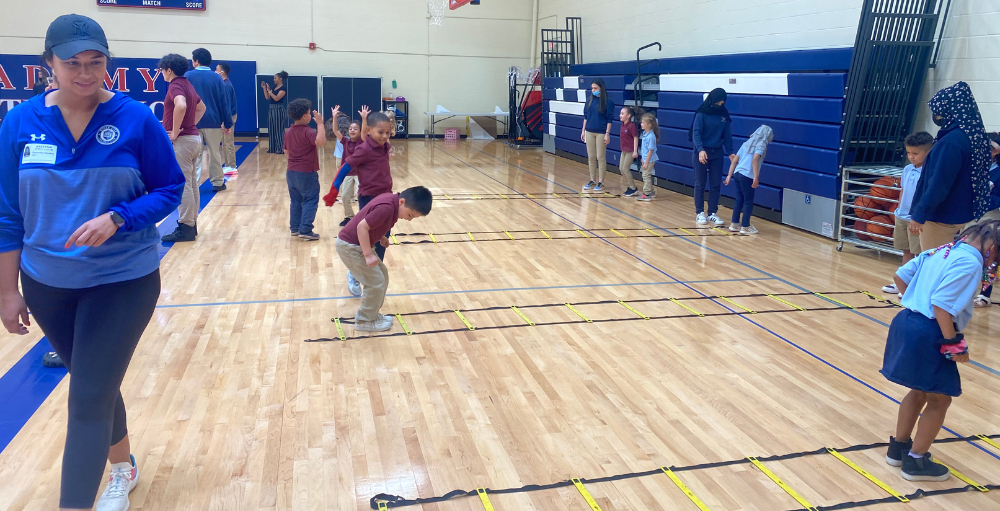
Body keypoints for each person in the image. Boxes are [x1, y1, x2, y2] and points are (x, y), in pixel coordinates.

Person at [0, 14, 184, 511]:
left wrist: (119, 218)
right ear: (48, 66)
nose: (85, 73)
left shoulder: (134, 119)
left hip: (122, 280)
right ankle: (123, 466)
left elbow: (170, 189)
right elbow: (7, 212)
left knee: (85, 399)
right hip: (47, 284)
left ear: (108, 63)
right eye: (73, 63)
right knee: (93, 382)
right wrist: (8, 289)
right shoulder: (18, 123)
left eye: (96, 62)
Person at [881, 220, 999, 481]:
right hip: (930, 331)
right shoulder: (970, 263)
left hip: (906, 321)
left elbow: (900, 276)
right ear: (991, 247)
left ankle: (898, 449)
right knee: (940, 399)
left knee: (920, 390)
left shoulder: (940, 250)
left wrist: (914, 302)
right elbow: (941, 305)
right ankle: (916, 462)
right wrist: (954, 343)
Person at [909, 81, 991, 252]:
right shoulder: (978, 136)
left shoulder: (950, 142)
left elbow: (939, 183)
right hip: (966, 214)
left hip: (942, 217)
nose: (937, 116)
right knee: (956, 266)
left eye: (938, 111)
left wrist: (920, 214)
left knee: (934, 267)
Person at [336, 187, 433, 332]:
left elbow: (373, 222)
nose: (409, 219)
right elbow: (362, 227)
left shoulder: (392, 204)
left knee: (382, 276)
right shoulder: (386, 208)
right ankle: (364, 321)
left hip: (358, 245)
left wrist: (381, 237)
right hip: (352, 247)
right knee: (375, 282)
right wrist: (368, 255)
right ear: (402, 202)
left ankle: (372, 315)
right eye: (410, 215)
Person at [324, 111, 395, 296]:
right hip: (370, 199)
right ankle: (355, 274)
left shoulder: (384, 146)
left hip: (387, 198)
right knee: (367, 239)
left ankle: (373, 272)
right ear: (369, 130)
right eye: (381, 132)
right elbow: (345, 167)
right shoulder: (363, 149)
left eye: (388, 132)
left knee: (382, 240)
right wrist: (334, 189)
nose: (385, 136)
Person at [159, 53, 207, 243]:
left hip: (183, 142)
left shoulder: (175, 85)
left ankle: (186, 226)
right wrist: (190, 126)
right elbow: (201, 108)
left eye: (162, 70)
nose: (162, 73)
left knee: (185, 184)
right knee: (193, 183)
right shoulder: (188, 84)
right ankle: (191, 223)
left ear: (169, 70)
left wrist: (176, 131)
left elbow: (181, 105)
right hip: (194, 139)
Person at [881, 132, 934, 294]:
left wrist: (918, 216)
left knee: (919, 253)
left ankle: (916, 287)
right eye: (908, 153)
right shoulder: (907, 169)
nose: (911, 157)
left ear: (929, 152)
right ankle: (902, 282)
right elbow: (903, 191)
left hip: (916, 219)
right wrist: (898, 210)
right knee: (906, 250)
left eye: (915, 154)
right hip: (902, 216)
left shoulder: (929, 172)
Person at [187, 48, 232, 192]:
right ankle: (218, 182)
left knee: (195, 155)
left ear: (196, 61)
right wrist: (228, 122)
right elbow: (223, 102)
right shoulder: (217, 77)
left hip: (193, 122)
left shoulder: (188, 76)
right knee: (214, 153)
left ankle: (194, 184)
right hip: (213, 121)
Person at [690, 87, 735, 226]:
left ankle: (712, 213)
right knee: (700, 183)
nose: (720, 105)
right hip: (702, 152)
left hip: (717, 153)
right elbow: (696, 133)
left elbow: (727, 136)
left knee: (715, 184)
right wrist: (700, 149)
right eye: (718, 102)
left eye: (722, 103)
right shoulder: (702, 113)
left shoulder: (724, 115)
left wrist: (731, 152)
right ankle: (699, 213)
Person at [284, 99, 326, 240]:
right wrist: (320, 123)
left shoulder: (289, 131)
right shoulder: (307, 131)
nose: (310, 116)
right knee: (310, 200)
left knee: (295, 200)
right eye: (309, 113)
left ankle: (295, 228)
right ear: (304, 116)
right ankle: (306, 230)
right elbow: (321, 142)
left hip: (291, 172)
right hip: (306, 172)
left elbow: (286, 151)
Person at [724, 125, 774, 235]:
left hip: (737, 174)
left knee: (739, 199)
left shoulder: (745, 144)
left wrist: (728, 176)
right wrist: (756, 177)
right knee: (748, 201)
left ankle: (734, 224)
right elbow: (755, 159)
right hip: (747, 176)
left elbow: (734, 161)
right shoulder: (761, 145)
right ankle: (745, 226)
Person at [326, 106, 369, 226]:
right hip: (348, 174)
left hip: (361, 174)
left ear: (360, 131)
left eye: (355, 128)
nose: (352, 130)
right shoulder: (345, 141)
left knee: (361, 196)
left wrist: (364, 118)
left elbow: (365, 130)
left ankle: (363, 217)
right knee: (345, 196)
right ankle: (349, 217)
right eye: (351, 128)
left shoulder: (363, 141)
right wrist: (334, 117)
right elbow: (335, 131)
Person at [580, 78, 615, 192]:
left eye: (595, 88)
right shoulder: (589, 100)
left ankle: (601, 181)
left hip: (601, 132)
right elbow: (586, 116)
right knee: (591, 157)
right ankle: (592, 179)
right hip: (589, 131)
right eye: (592, 88)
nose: (593, 90)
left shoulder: (608, 102)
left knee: (600, 157)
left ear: (601, 88)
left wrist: (607, 134)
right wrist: (583, 130)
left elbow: (609, 119)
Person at [215, 62, 238, 172]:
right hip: (227, 116)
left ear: (221, 72)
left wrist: (225, 122)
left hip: (229, 117)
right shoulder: (224, 84)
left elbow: (227, 105)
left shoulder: (226, 85)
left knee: (228, 142)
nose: (215, 71)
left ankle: (232, 166)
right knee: (224, 142)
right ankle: (228, 164)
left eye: (216, 69)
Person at [262, 71, 289, 154]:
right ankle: (272, 148)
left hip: (278, 110)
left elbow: (276, 98)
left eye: (275, 78)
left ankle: (280, 148)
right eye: (274, 78)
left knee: (279, 129)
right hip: (271, 109)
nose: (274, 80)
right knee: (272, 129)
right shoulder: (274, 88)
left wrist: (270, 91)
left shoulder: (283, 89)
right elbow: (267, 97)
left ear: (280, 79)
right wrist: (265, 89)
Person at [637, 112, 659, 202]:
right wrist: (643, 157)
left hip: (649, 160)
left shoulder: (651, 137)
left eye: (643, 122)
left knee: (646, 175)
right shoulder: (645, 134)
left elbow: (650, 150)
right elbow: (645, 149)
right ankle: (652, 191)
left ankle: (646, 194)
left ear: (649, 125)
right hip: (646, 159)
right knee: (645, 175)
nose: (641, 124)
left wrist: (646, 162)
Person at [617, 106, 639, 197]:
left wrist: (635, 151)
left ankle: (633, 188)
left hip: (630, 151)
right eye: (620, 113)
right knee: (621, 169)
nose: (620, 115)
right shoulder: (622, 124)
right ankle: (630, 186)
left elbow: (635, 138)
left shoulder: (631, 126)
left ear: (628, 115)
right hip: (624, 151)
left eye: (622, 114)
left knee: (626, 169)